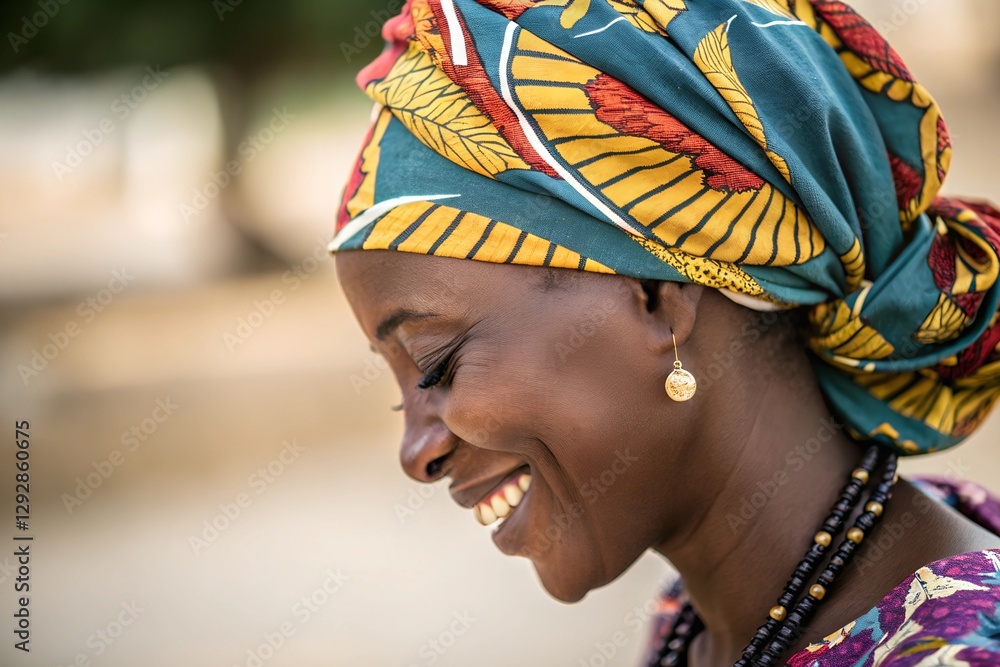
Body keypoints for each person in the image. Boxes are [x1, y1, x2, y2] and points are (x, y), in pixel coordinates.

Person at [329, 0, 1000, 664]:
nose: (417, 454)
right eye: (401, 392)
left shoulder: (955, 650)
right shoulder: (696, 626)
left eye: (437, 364)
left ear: (658, 298)